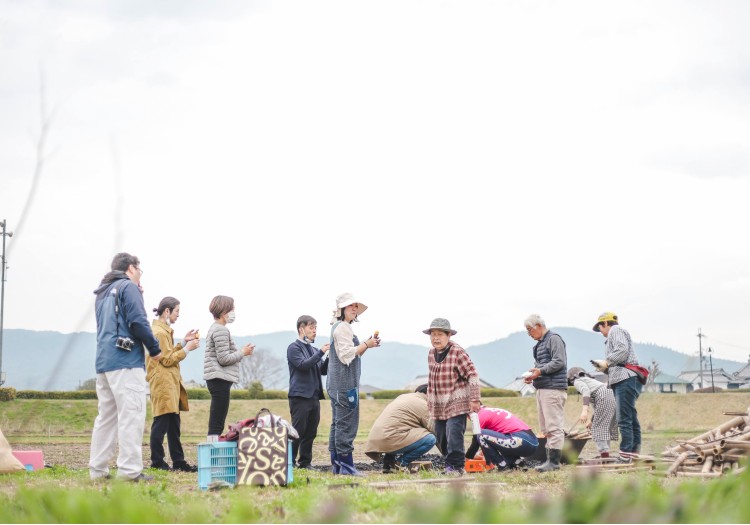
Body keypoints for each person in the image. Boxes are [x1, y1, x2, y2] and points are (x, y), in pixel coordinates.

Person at [89, 252, 162, 482]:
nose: (140, 274)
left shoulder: (101, 292)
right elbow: (138, 321)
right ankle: (129, 471)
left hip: (104, 362)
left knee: (106, 417)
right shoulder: (128, 287)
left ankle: (98, 471)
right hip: (127, 362)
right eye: (139, 269)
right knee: (131, 415)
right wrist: (155, 348)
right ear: (131, 268)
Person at [327, 292, 380, 476]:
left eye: (355, 307)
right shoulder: (342, 327)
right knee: (346, 424)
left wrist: (367, 345)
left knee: (337, 423)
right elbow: (347, 355)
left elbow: (353, 353)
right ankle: (347, 466)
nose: (354, 309)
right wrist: (366, 343)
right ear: (341, 309)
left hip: (337, 383)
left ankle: (337, 465)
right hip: (344, 383)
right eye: (351, 306)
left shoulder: (341, 327)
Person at [147, 297, 200, 472]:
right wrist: (187, 349)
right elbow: (168, 360)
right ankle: (157, 462)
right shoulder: (160, 333)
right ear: (167, 311)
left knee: (173, 425)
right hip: (163, 383)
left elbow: (167, 354)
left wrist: (184, 342)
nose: (178, 315)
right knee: (161, 423)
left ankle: (178, 461)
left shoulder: (162, 331)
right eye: (177, 311)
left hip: (168, 383)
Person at [424, 318, 481, 476]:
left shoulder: (457, 352)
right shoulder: (431, 353)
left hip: (457, 401)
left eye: (440, 334)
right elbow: (431, 379)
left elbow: (473, 374)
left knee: (453, 434)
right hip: (438, 404)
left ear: (448, 335)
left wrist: (474, 399)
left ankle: (456, 467)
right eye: (433, 334)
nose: (436, 338)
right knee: (441, 436)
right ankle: (449, 465)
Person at [591, 312, 642, 463]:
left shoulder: (616, 330)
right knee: (631, 418)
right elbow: (620, 358)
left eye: (600, 327)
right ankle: (634, 453)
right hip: (626, 377)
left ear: (606, 323)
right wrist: (605, 368)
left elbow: (621, 350)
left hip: (625, 378)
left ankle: (625, 455)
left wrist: (607, 362)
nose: (600, 331)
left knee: (624, 419)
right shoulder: (614, 334)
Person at [203, 295, 255, 439]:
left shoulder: (215, 328)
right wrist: (242, 352)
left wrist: (241, 352)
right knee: (217, 421)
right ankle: (212, 449)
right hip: (219, 379)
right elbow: (224, 359)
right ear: (224, 310)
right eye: (232, 309)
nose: (233, 312)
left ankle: (212, 447)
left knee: (217, 418)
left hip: (216, 379)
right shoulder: (221, 330)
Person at [523, 314, 567, 472]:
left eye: (530, 330)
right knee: (546, 427)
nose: (529, 333)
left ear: (539, 326)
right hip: (542, 388)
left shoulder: (553, 338)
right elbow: (542, 367)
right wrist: (533, 376)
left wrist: (540, 371)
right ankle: (550, 459)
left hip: (553, 388)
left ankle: (554, 462)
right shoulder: (539, 344)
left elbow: (559, 361)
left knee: (554, 426)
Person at [286, 315, 330, 469]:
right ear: (301, 329)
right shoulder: (294, 348)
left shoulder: (314, 349)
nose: (314, 331)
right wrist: (321, 353)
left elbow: (323, 370)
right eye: (311, 328)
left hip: (314, 396)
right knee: (297, 431)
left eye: (316, 328)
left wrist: (330, 356)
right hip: (299, 396)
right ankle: (289, 462)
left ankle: (305, 462)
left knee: (311, 432)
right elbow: (303, 365)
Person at [365, 384, 437, 473]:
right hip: (390, 439)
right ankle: (400, 464)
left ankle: (388, 463)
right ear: (429, 394)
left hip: (376, 440)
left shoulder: (403, 397)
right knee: (430, 439)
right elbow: (434, 429)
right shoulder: (422, 404)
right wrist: (449, 454)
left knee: (400, 429)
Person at [465, 405, 538, 470]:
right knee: (496, 440)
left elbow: (475, 443)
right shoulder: (489, 411)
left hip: (520, 441)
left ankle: (501, 465)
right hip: (533, 443)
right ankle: (517, 462)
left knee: (480, 434)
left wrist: (466, 459)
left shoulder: (480, 416)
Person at [567, 367, 618, 459]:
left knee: (598, 428)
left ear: (571, 377)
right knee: (605, 427)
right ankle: (605, 453)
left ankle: (604, 455)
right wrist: (591, 420)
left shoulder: (577, 381)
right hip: (612, 394)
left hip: (604, 396)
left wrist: (584, 411)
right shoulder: (590, 381)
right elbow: (599, 407)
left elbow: (586, 392)